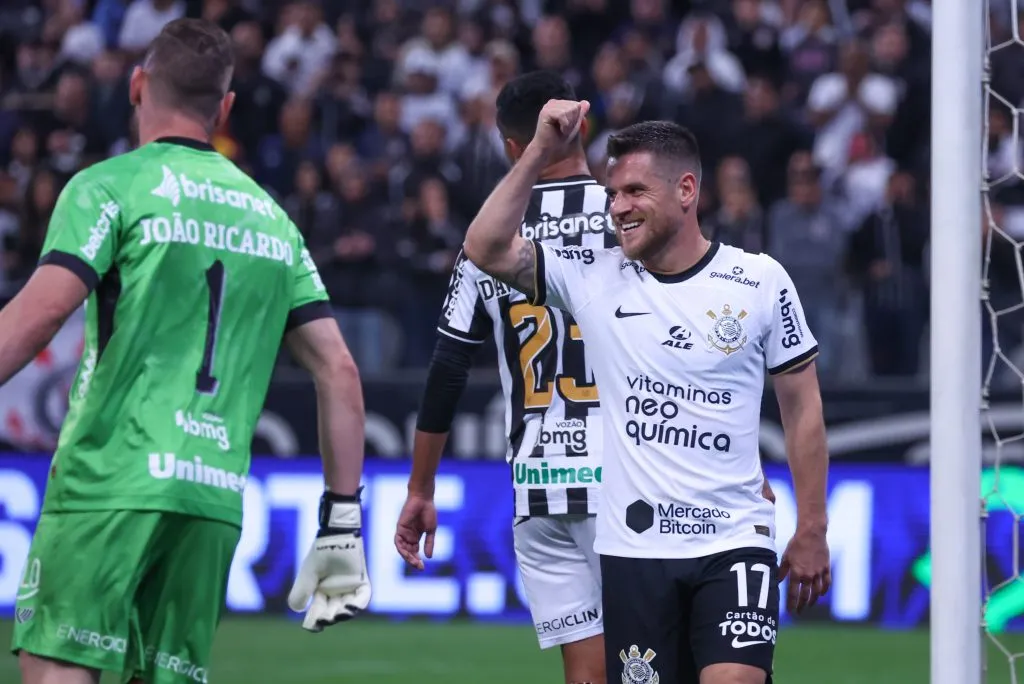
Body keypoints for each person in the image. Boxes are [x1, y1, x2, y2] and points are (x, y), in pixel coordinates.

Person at [8, 18, 370, 684]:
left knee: (60, 668)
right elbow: (339, 371)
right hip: (210, 502)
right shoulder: (273, 220)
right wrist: (342, 522)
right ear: (225, 107)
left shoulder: (108, 187)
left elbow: (41, 313)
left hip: (107, 482)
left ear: (137, 85)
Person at [462, 103, 831, 684]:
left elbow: (802, 408)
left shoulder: (759, 281)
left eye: (634, 191)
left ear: (687, 189)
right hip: (634, 551)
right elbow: (484, 247)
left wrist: (812, 527)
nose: (618, 208)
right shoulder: (591, 278)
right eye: (613, 194)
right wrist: (537, 152)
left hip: (734, 539)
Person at [393, 70, 612, 684]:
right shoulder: (630, 219)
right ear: (583, 125)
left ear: (513, 148)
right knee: (651, 660)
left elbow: (448, 365)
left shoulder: (487, 240)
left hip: (539, 481)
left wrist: (420, 488)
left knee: (586, 673)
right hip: (627, 475)